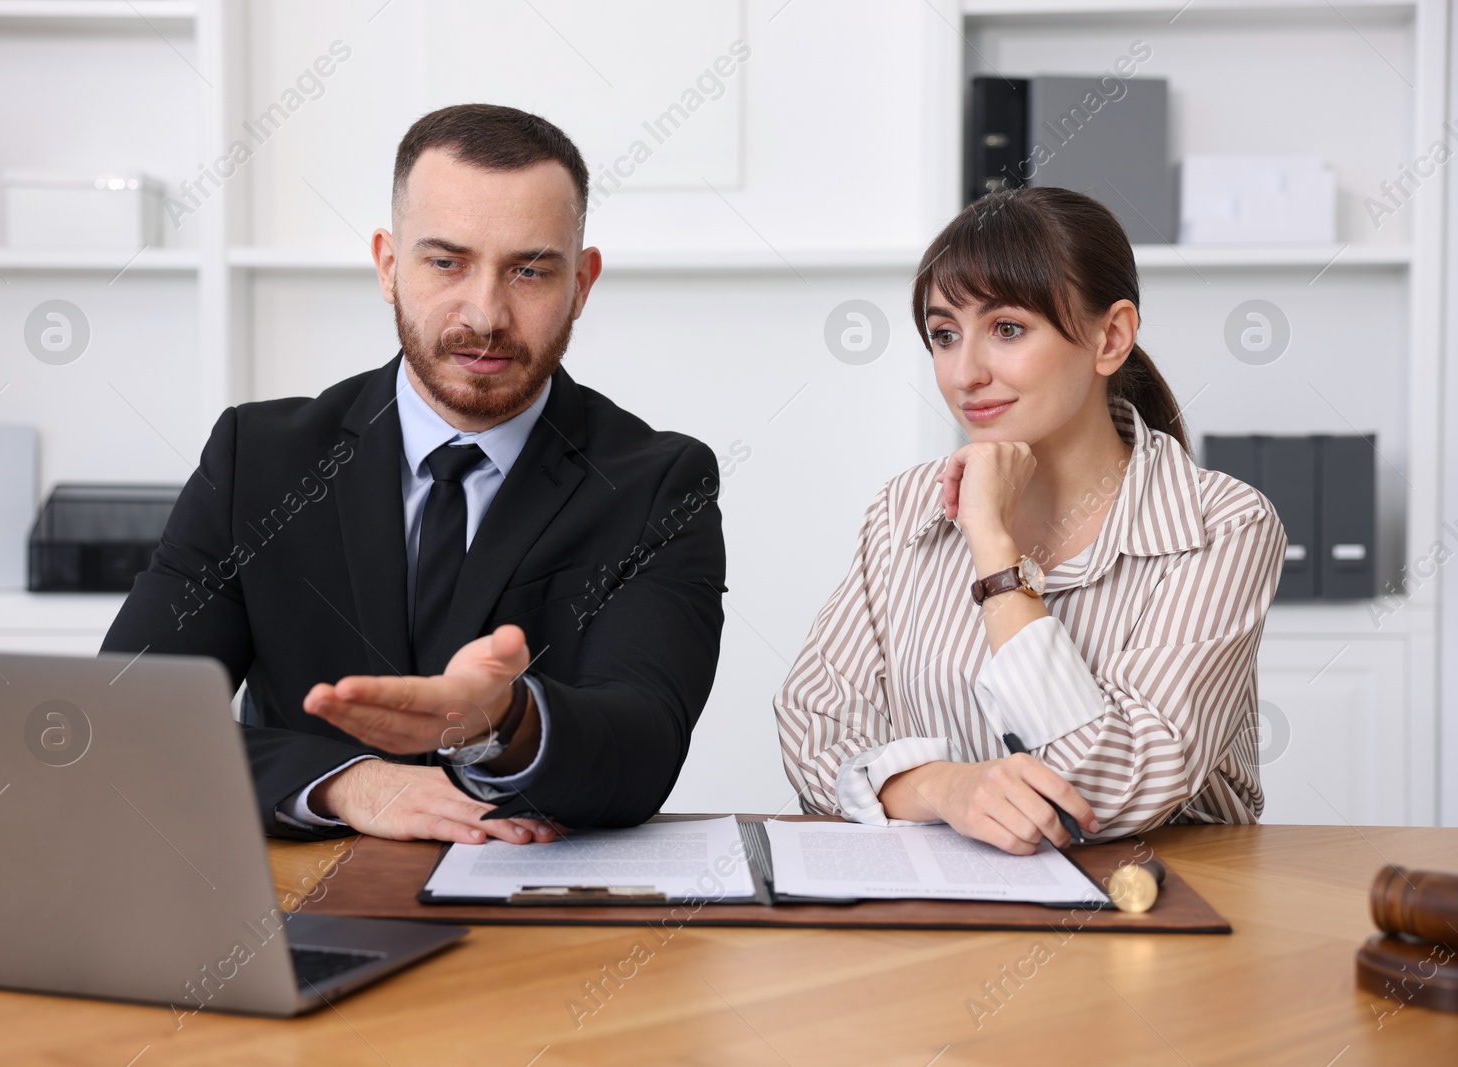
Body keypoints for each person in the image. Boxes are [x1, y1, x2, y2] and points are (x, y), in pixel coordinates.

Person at [102, 104, 726, 845]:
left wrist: (507, 719)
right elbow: (125, 718)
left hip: (531, 923)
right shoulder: (257, 460)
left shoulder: (660, 484)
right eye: (446, 262)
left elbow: (644, 746)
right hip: (297, 905)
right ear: (389, 267)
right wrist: (343, 782)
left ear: (582, 284)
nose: (486, 313)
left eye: (529, 270)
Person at [775, 187, 1286, 855]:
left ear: (1111, 337)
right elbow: (814, 724)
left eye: (1007, 329)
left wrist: (993, 550)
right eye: (944, 334)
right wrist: (941, 789)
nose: (965, 373)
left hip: (1157, 912)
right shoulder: (905, 509)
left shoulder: (1223, 525)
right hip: (946, 912)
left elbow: (1115, 785)